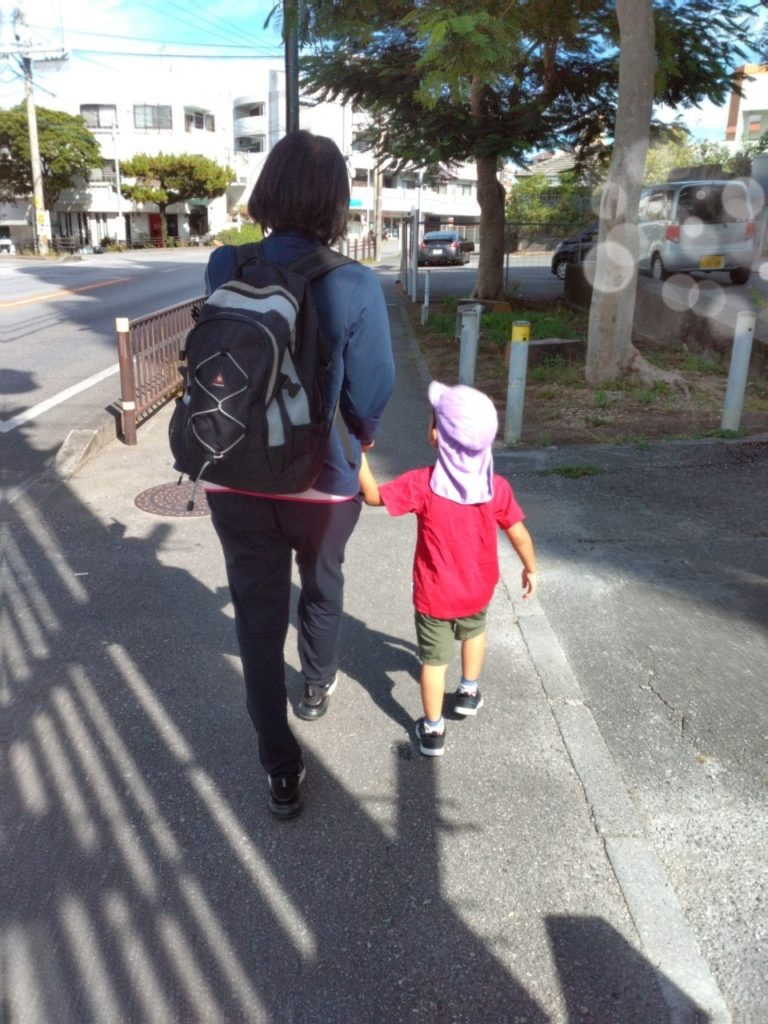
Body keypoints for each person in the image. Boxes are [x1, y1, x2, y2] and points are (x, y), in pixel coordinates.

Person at [205, 130, 394, 818]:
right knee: (321, 583)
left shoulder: (225, 263)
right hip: (321, 479)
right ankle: (315, 685)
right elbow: (371, 393)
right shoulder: (354, 282)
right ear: (335, 201)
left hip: (234, 472)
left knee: (257, 621)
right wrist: (360, 439)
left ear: (268, 190)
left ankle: (279, 769)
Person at [358, 381, 537, 757]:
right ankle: (469, 691)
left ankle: (433, 729)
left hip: (435, 594)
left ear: (436, 435)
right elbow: (519, 533)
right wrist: (530, 568)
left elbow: (373, 496)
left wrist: (357, 453)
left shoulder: (423, 484)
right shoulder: (496, 487)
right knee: (474, 633)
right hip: (478, 588)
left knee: (433, 662)